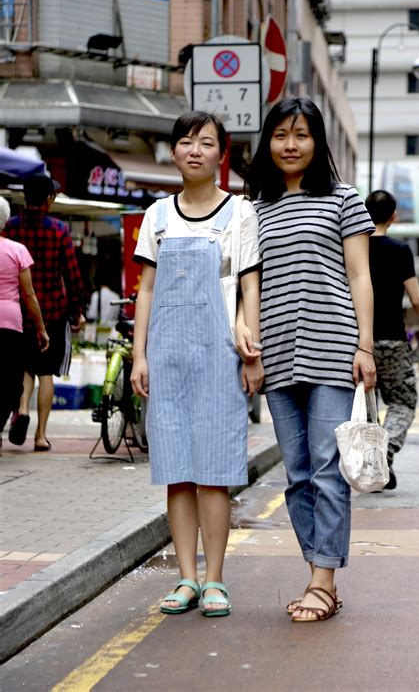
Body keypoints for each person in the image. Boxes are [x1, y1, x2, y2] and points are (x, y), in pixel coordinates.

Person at [240, 97, 376, 622]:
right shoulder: (253, 209)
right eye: (280, 135)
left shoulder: (343, 199)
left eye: (300, 134)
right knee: (296, 473)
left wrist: (364, 347)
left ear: (317, 141)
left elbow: (360, 276)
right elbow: (244, 285)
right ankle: (320, 569)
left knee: (326, 467)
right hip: (275, 353)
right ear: (267, 142)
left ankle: (322, 581)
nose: (290, 145)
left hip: (333, 348)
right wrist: (247, 343)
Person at [131, 110, 263, 617]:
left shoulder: (240, 213)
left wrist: (252, 354)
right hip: (167, 356)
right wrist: (140, 355)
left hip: (220, 355)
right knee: (176, 472)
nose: (194, 150)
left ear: (220, 154)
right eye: (185, 141)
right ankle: (185, 578)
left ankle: (214, 579)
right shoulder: (157, 215)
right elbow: (145, 290)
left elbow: (249, 285)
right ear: (173, 152)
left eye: (205, 142)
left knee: (214, 470)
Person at [365, 190, 419, 488]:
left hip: (356, 342)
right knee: (402, 402)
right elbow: (417, 298)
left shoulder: (352, 248)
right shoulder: (400, 251)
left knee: (365, 404)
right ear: (394, 216)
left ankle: (369, 458)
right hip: (392, 341)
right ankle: (384, 450)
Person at [3, 175, 85, 451]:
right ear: (49, 199)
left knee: (24, 367)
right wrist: (78, 311)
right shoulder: (59, 230)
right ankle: (40, 435)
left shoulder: (11, 228)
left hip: (20, 312)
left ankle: (23, 409)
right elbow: (72, 275)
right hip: (52, 312)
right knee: (46, 371)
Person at [0, 196, 49, 450]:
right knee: (11, 383)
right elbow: (28, 294)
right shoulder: (17, 250)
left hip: (10, 324)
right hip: (9, 325)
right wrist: (41, 327)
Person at [86, 275, 120, 344]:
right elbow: (117, 315)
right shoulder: (116, 296)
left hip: (98, 331)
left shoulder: (95, 295)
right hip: (111, 332)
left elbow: (92, 315)